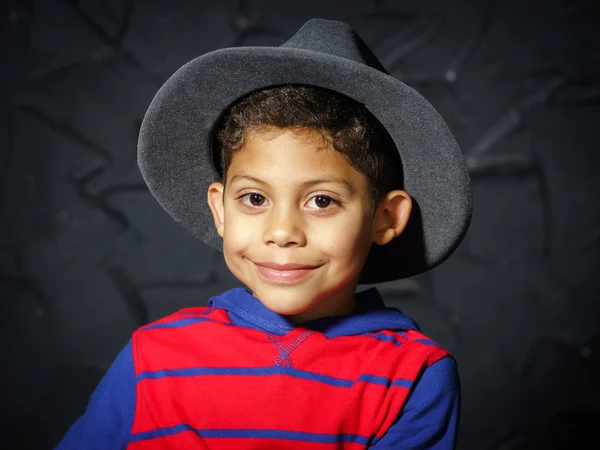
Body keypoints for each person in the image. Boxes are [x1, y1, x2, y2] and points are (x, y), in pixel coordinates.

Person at [55, 18, 472, 449]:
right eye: (255, 199)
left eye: (322, 201)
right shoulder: (152, 357)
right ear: (220, 209)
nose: (282, 232)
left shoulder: (414, 374)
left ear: (385, 218)